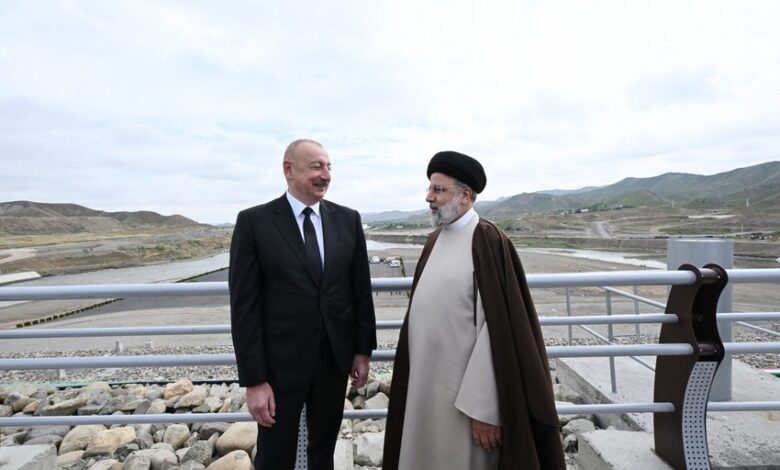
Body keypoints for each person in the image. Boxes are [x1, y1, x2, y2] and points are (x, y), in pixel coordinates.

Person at [383, 151, 565, 470]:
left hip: (464, 406)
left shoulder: (487, 241)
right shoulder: (434, 241)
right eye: (429, 189)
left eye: (438, 190)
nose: (429, 197)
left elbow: (498, 333)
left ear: (465, 195)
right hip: (424, 391)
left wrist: (486, 410)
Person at [229, 139, 377, 470]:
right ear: (289, 169)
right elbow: (244, 308)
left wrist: (362, 350)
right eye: (316, 167)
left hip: (333, 363)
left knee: (322, 452)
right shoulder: (254, 222)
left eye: (328, 167)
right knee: (274, 456)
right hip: (278, 367)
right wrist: (255, 381)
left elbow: (360, 291)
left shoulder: (348, 220)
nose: (325, 175)